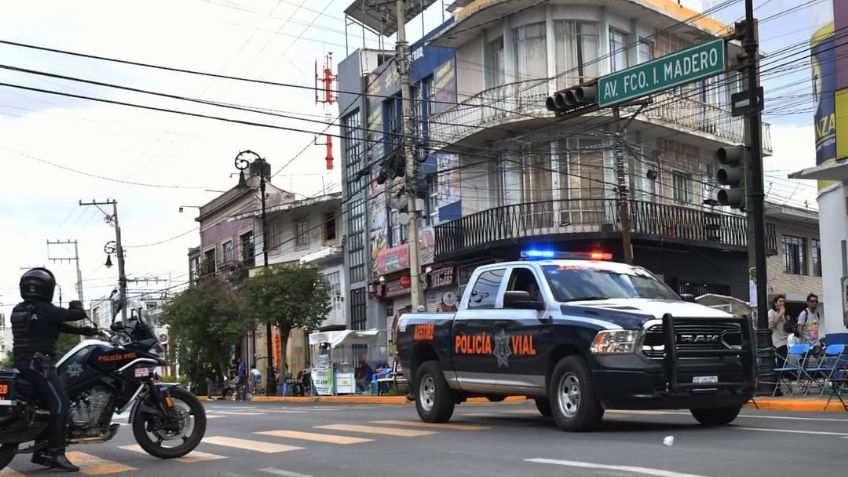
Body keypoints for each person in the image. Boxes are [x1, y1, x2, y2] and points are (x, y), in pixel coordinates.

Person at [10, 268, 99, 472]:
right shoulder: (47, 310)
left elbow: (51, 325)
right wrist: (76, 305)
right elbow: (74, 314)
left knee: (46, 405)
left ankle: (42, 453)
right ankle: (56, 453)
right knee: (61, 403)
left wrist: (83, 331)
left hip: (22, 365)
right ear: (47, 289)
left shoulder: (19, 310)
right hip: (40, 365)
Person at [767, 295, 789, 396]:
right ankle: (776, 388)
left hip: (784, 341)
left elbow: (785, 328)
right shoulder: (771, 313)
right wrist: (780, 314)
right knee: (778, 367)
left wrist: (786, 319)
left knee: (784, 364)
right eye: (780, 301)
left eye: (783, 302)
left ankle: (778, 386)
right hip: (776, 342)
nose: (782, 303)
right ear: (775, 303)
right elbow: (770, 326)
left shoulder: (783, 314)